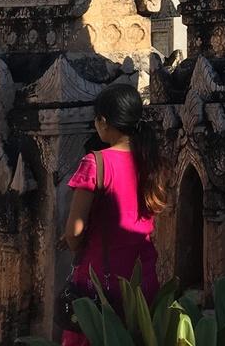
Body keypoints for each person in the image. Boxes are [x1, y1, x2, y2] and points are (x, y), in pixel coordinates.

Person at [58, 84, 168, 346]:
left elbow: (74, 232)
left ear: (103, 121)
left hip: (101, 280)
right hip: (142, 276)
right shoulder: (151, 159)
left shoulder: (95, 163)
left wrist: (73, 241)